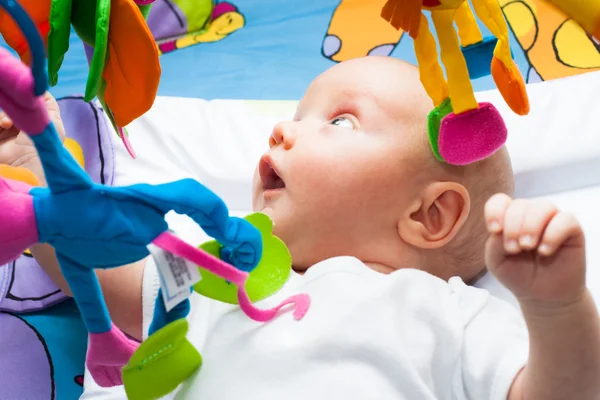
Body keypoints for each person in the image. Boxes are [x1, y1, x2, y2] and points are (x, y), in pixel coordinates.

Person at [0, 56, 598, 400]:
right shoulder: (217, 265)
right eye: (294, 117)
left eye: (340, 121)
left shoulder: (447, 314)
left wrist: (555, 309)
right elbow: (107, 279)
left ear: (427, 216)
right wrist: (36, 167)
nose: (282, 132)